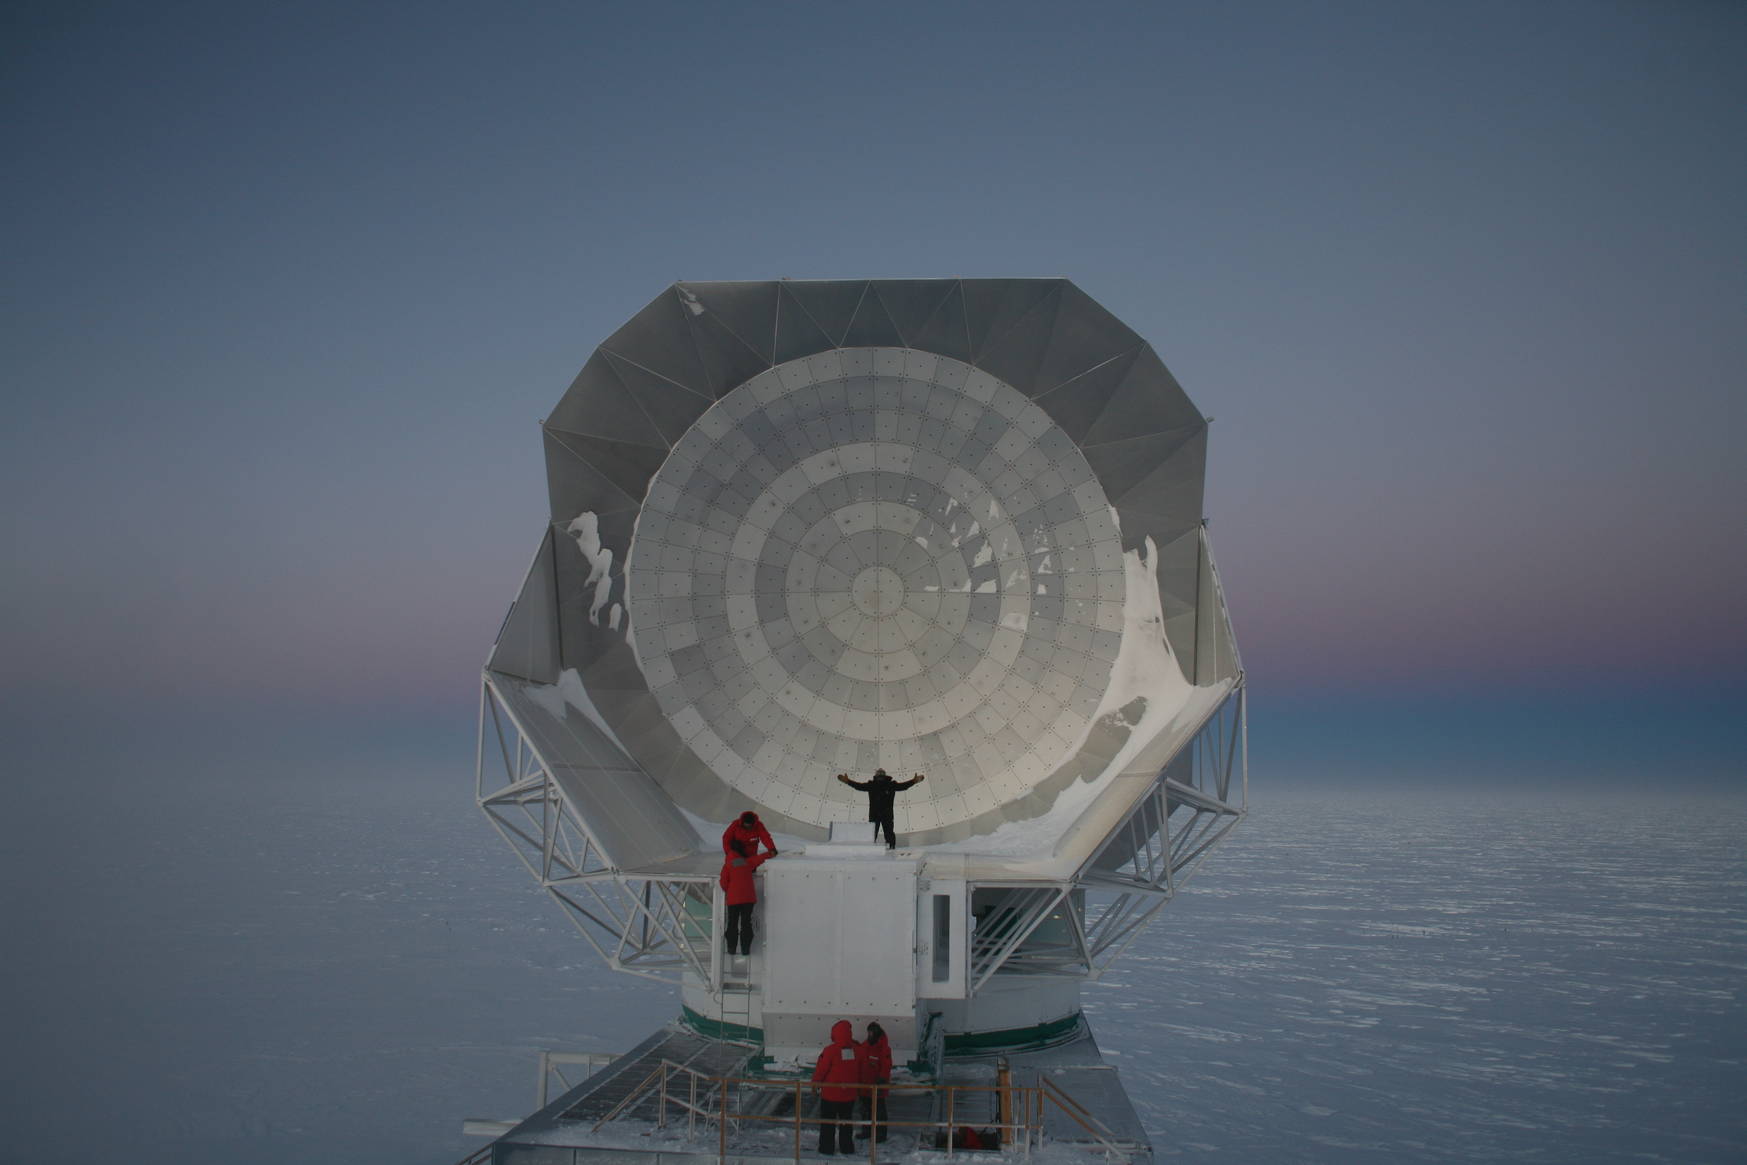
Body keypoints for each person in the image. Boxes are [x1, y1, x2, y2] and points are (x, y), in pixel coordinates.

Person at [811, 1020, 867, 1155]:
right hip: (849, 1095)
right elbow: (861, 1071)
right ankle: (847, 1148)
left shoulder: (830, 1051)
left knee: (828, 1123)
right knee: (846, 1123)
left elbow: (821, 1069)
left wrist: (815, 1084)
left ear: (834, 1033)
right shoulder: (857, 1051)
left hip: (830, 1094)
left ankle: (826, 1148)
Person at [836, 769, 925, 849]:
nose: (880, 776)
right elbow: (903, 786)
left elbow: (858, 786)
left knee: (881, 833)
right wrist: (914, 781)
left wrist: (848, 781)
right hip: (884, 814)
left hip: (879, 814)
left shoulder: (878, 785)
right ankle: (888, 847)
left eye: (881, 774)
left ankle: (887, 847)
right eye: (880, 774)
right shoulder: (887, 785)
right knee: (877, 833)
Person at [718, 839, 769, 958]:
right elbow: (759, 858)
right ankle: (745, 949)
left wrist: (729, 891)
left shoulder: (727, 865)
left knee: (732, 923)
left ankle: (731, 949)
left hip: (733, 899)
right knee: (746, 923)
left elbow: (723, 883)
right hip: (748, 898)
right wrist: (771, 853)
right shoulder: (747, 862)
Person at [858, 1020, 893, 1142]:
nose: (870, 1035)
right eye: (869, 1032)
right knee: (865, 1110)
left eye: (872, 1033)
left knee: (879, 1111)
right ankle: (866, 1131)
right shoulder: (864, 1046)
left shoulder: (884, 1049)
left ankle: (880, 1134)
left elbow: (886, 1066)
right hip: (864, 1085)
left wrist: (882, 1080)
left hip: (877, 1086)